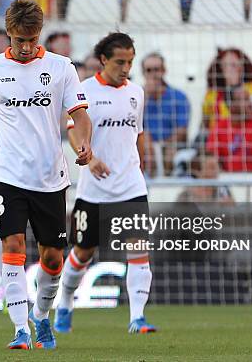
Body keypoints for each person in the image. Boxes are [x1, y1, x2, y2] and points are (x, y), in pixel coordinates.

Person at [0, 0, 92, 350]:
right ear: (8, 34)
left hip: (49, 176)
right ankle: (20, 329)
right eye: (18, 40)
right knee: (12, 245)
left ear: (39, 34)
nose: (25, 47)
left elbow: (79, 115)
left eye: (31, 39)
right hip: (7, 173)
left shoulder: (61, 68)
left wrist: (83, 144)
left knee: (52, 257)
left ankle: (41, 317)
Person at [54, 32, 157, 336]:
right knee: (83, 252)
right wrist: (88, 155)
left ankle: (137, 318)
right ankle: (64, 303)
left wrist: (140, 163)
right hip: (94, 190)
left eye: (130, 62)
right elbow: (72, 129)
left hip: (131, 187)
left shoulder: (136, 93)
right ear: (103, 60)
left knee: (138, 250)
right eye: (119, 62)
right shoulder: (83, 90)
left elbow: (137, 134)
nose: (125, 68)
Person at [142, 52, 190, 176]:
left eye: (157, 69)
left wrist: (162, 147)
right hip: (146, 146)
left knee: (170, 150)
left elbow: (182, 130)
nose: (153, 74)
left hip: (170, 145)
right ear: (144, 73)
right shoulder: (137, 96)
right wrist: (145, 98)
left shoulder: (178, 97)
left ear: (164, 71)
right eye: (149, 70)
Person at [207, 85, 252, 173]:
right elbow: (211, 158)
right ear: (232, 107)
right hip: (229, 179)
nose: (250, 103)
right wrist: (223, 177)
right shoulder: (219, 127)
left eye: (249, 99)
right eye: (245, 100)